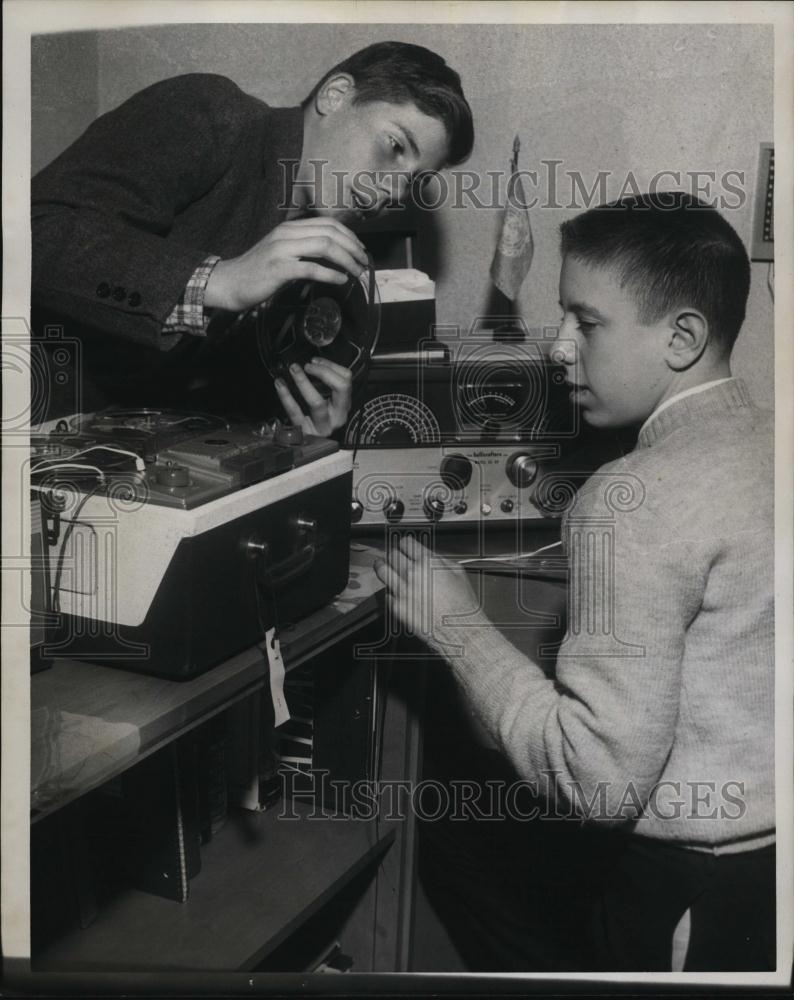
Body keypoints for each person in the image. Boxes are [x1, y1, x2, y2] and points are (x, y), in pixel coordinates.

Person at [376, 192, 775, 972]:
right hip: (768, 855)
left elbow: (598, 785)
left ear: (683, 337)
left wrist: (456, 627)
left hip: (691, 882)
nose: (560, 348)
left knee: (451, 839)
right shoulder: (774, 441)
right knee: (464, 850)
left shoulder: (631, 498)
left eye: (585, 324)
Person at [31, 41, 473, 428]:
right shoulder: (212, 112)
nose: (395, 191)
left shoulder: (309, 247)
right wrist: (215, 280)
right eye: (394, 147)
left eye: (411, 182)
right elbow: (32, 232)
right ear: (336, 95)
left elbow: (199, 393)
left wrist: (300, 429)